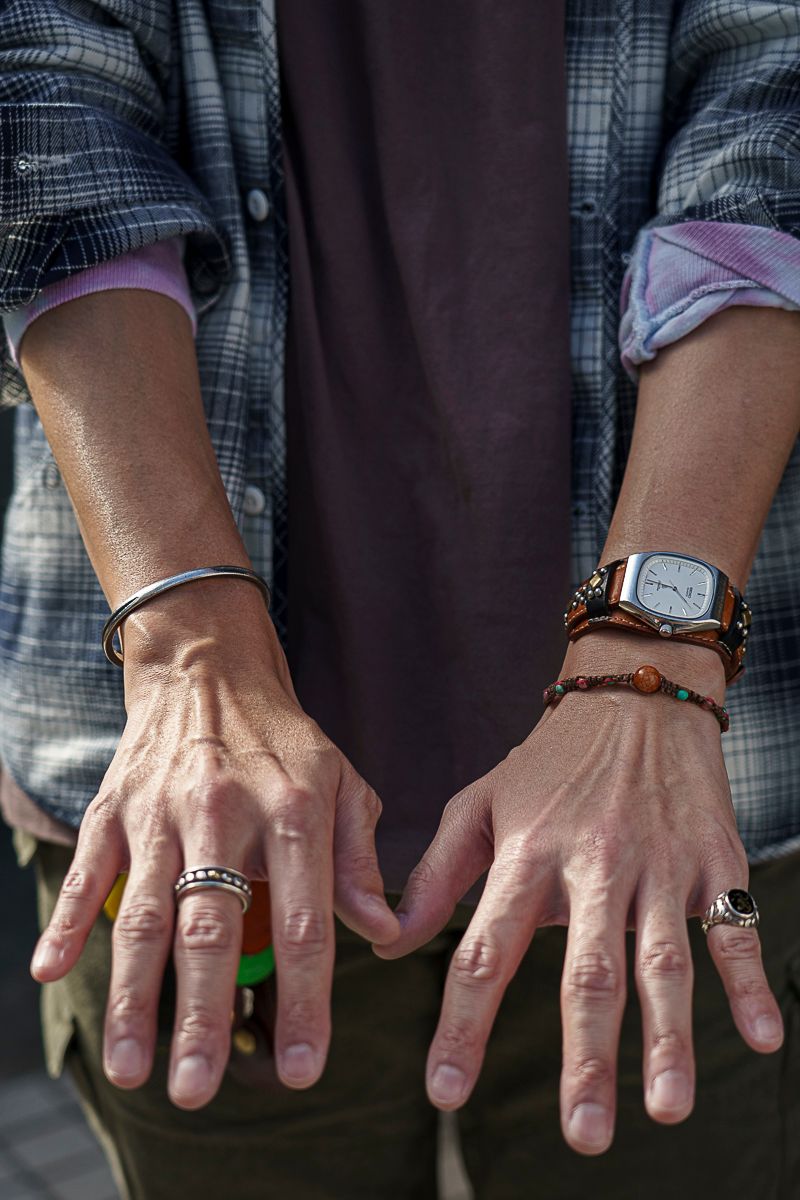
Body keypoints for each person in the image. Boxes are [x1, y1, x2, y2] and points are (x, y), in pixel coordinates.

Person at [1, 1, 800, 1196]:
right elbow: (45, 117)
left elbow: (773, 112)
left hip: (685, 786)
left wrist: (652, 652)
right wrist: (189, 653)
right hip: (194, 794)